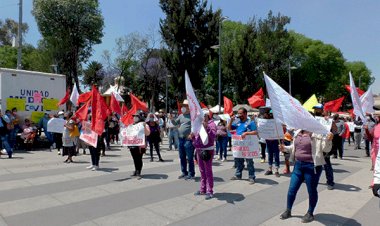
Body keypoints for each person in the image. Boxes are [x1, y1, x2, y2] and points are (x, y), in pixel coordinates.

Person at [279, 130, 333, 223]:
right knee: (292, 189)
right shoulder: (298, 132)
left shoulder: (317, 133)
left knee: (311, 191)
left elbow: (326, 149)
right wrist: (285, 148)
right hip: (298, 166)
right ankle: (288, 210)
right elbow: (294, 147)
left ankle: (310, 212)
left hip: (312, 167)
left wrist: (329, 140)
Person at [228, 107, 258, 184]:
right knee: (239, 161)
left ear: (245, 114)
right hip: (239, 146)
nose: (239, 115)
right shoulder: (237, 122)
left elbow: (256, 132)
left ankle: (251, 177)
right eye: (238, 113)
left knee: (249, 162)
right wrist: (231, 120)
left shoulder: (250, 122)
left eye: (240, 113)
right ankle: (238, 175)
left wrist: (247, 133)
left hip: (248, 147)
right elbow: (229, 129)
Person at [193, 110, 217, 200]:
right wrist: (192, 137)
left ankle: (209, 191)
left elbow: (213, 136)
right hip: (199, 150)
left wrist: (207, 128)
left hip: (208, 151)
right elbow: (196, 137)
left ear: (207, 116)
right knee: (202, 171)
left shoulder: (212, 124)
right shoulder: (198, 124)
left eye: (203, 116)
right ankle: (202, 189)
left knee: (208, 171)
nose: (201, 118)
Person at [175, 100, 196, 180]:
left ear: (189, 107)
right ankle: (184, 172)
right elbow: (175, 123)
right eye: (182, 106)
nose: (183, 107)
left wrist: (192, 133)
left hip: (188, 140)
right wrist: (171, 119)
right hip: (180, 139)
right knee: (182, 156)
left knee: (190, 157)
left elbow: (196, 126)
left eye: (185, 106)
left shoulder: (193, 116)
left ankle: (191, 173)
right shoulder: (180, 116)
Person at [129, 111, 150, 179]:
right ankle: (136, 170)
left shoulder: (144, 124)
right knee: (134, 158)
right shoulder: (132, 125)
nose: (135, 118)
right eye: (134, 116)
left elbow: (148, 134)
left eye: (136, 116)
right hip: (132, 144)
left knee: (139, 158)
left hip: (140, 145)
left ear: (140, 117)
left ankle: (139, 171)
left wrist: (144, 126)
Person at [264, 110, 281, 177]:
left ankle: (276, 170)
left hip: (275, 140)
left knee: (276, 155)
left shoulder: (277, 122)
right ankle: (270, 169)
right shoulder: (265, 122)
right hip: (268, 140)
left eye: (271, 114)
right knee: (270, 154)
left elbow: (280, 131)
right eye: (270, 114)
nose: (270, 115)